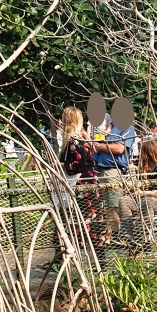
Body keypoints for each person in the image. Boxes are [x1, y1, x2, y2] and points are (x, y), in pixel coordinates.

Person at [59, 105, 111, 255]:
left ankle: (92, 263)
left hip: (82, 186)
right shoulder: (79, 138)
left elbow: (83, 164)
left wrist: (61, 165)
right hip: (86, 184)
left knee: (85, 224)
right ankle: (97, 263)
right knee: (92, 225)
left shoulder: (76, 140)